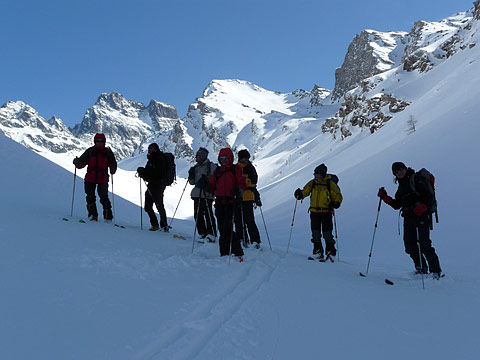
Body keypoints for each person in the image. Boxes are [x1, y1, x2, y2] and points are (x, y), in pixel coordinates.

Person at [377, 162, 442, 278]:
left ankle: (435, 271)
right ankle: (421, 268)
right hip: (408, 218)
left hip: (421, 216)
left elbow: (428, 196)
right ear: (395, 174)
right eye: (397, 171)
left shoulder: (416, 179)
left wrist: (423, 206)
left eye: (401, 169)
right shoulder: (401, 187)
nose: (400, 172)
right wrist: (385, 197)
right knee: (410, 245)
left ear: (405, 169)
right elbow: (397, 205)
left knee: (424, 244)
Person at [294, 163, 342, 259]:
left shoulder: (330, 184)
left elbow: (338, 195)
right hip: (314, 213)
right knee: (315, 234)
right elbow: (306, 191)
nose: (314, 175)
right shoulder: (312, 183)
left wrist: (336, 203)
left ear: (322, 174)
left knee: (327, 234)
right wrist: (300, 194)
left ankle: (330, 252)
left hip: (326, 212)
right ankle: (318, 252)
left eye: (316, 173)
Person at [208, 147, 246, 259]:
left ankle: (237, 252)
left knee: (227, 228)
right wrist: (205, 185)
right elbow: (212, 186)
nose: (224, 161)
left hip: (231, 202)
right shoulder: (218, 171)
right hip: (219, 202)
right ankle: (224, 253)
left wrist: (238, 191)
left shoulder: (236, 169)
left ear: (230, 158)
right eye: (222, 158)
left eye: (226, 158)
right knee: (221, 228)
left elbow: (242, 183)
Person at [73, 133, 117, 221]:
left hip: (102, 178)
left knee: (104, 197)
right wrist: (77, 162)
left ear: (104, 142)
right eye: (98, 141)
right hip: (90, 177)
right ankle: (93, 215)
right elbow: (82, 163)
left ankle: (108, 217)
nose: (99, 143)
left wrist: (113, 168)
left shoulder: (108, 152)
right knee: (90, 197)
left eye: (101, 141)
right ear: (95, 142)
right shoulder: (90, 151)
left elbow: (113, 164)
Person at [137, 143, 169, 232]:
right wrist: (143, 173)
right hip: (153, 185)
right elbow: (150, 173)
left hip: (158, 185)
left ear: (155, 149)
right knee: (149, 206)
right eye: (149, 148)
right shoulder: (152, 160)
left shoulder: (158, 159)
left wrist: (143, 172)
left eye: (151, 148)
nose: (149, 150)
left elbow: (154, 173)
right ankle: (157, 225)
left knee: (158, 205)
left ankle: (162, 225)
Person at [188, 147, 217, 242]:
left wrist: (206, 182)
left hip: (207, 193)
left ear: (203, 157)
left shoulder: (210, 166)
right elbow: (192, 182)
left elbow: (216, 179)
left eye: (198, 156)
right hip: (197, 194)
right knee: (197, 215)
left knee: (208, 214)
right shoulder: (196, 167)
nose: (196, 158)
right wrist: (191, 175)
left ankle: (211, 233)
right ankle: (202, 233)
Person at [234, 149, 262, 249]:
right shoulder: (236, 168)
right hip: (238, 197)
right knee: (238, 220)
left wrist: (242, 182)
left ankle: (255, 241)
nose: (245, 160)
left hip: (248, 197)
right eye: (243, 158)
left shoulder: (250, 168)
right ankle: (242, 239)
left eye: (246, 158)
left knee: (249, 220)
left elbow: (254, 182)